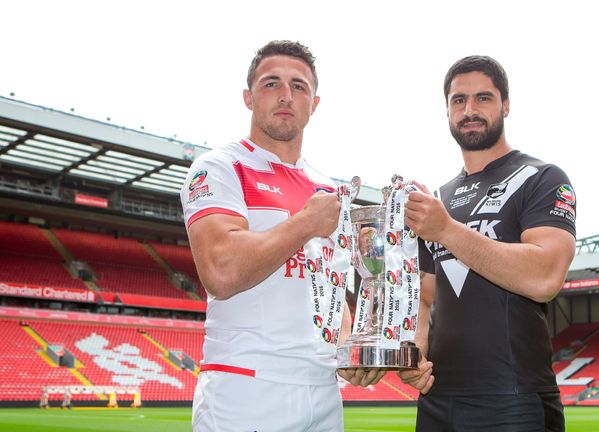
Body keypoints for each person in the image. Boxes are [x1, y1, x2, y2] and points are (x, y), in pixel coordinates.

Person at [182, 40, 381, 432]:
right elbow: (221, 271)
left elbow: (332, 288)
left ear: (314, 103)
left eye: (299, 86)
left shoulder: (327, 188)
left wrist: (350, 350)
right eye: (271, 83)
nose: (286, 95)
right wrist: (304, 223)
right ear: (248, 97)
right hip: (247, 386)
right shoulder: (220, 168)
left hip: (323, 390)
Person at [400, 55, 577, 432]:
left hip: (512, 399)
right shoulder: (440, 198)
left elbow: (546, 277)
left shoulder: (540, 177)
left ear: (506, 105)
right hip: (437, 399)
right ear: (447, 110)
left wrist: (446, 229)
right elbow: (426, 297)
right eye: (458, 100)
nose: (469, 110)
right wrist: (415, 352)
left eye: (483, 98)